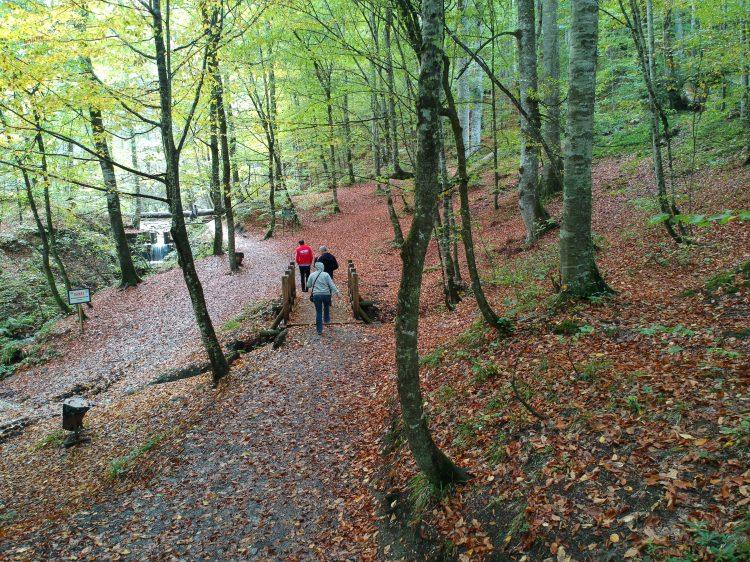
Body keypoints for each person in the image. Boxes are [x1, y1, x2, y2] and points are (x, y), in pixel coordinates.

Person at [307, 262, 342, 335]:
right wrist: (337, 292)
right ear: (322, 267)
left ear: (316, 267)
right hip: (326, 295)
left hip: (316, 295)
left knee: (318, 312)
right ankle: (327, 320)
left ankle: (319, 330)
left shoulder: (312, 275)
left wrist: (313, 284)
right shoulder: (326, 275)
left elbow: (308, 285)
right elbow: (331, 284)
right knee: (326, 307)